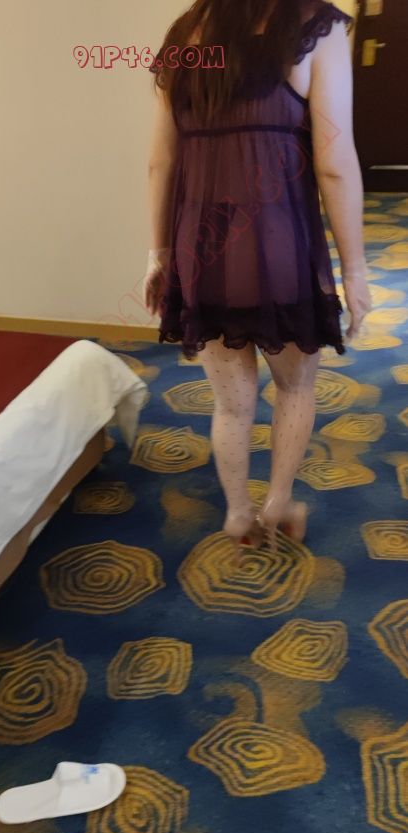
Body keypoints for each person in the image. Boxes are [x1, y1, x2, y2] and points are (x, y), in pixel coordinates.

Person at [143, 0, 372, 561]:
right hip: (279, 245)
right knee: (295, 387)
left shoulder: (186, 32)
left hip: (202, 249)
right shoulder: (317, 26)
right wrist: (356, 269)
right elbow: (334, 162)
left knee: (231, 404)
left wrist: (158, 256)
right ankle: (277, 503)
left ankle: (237, 513)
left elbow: (160, 161)